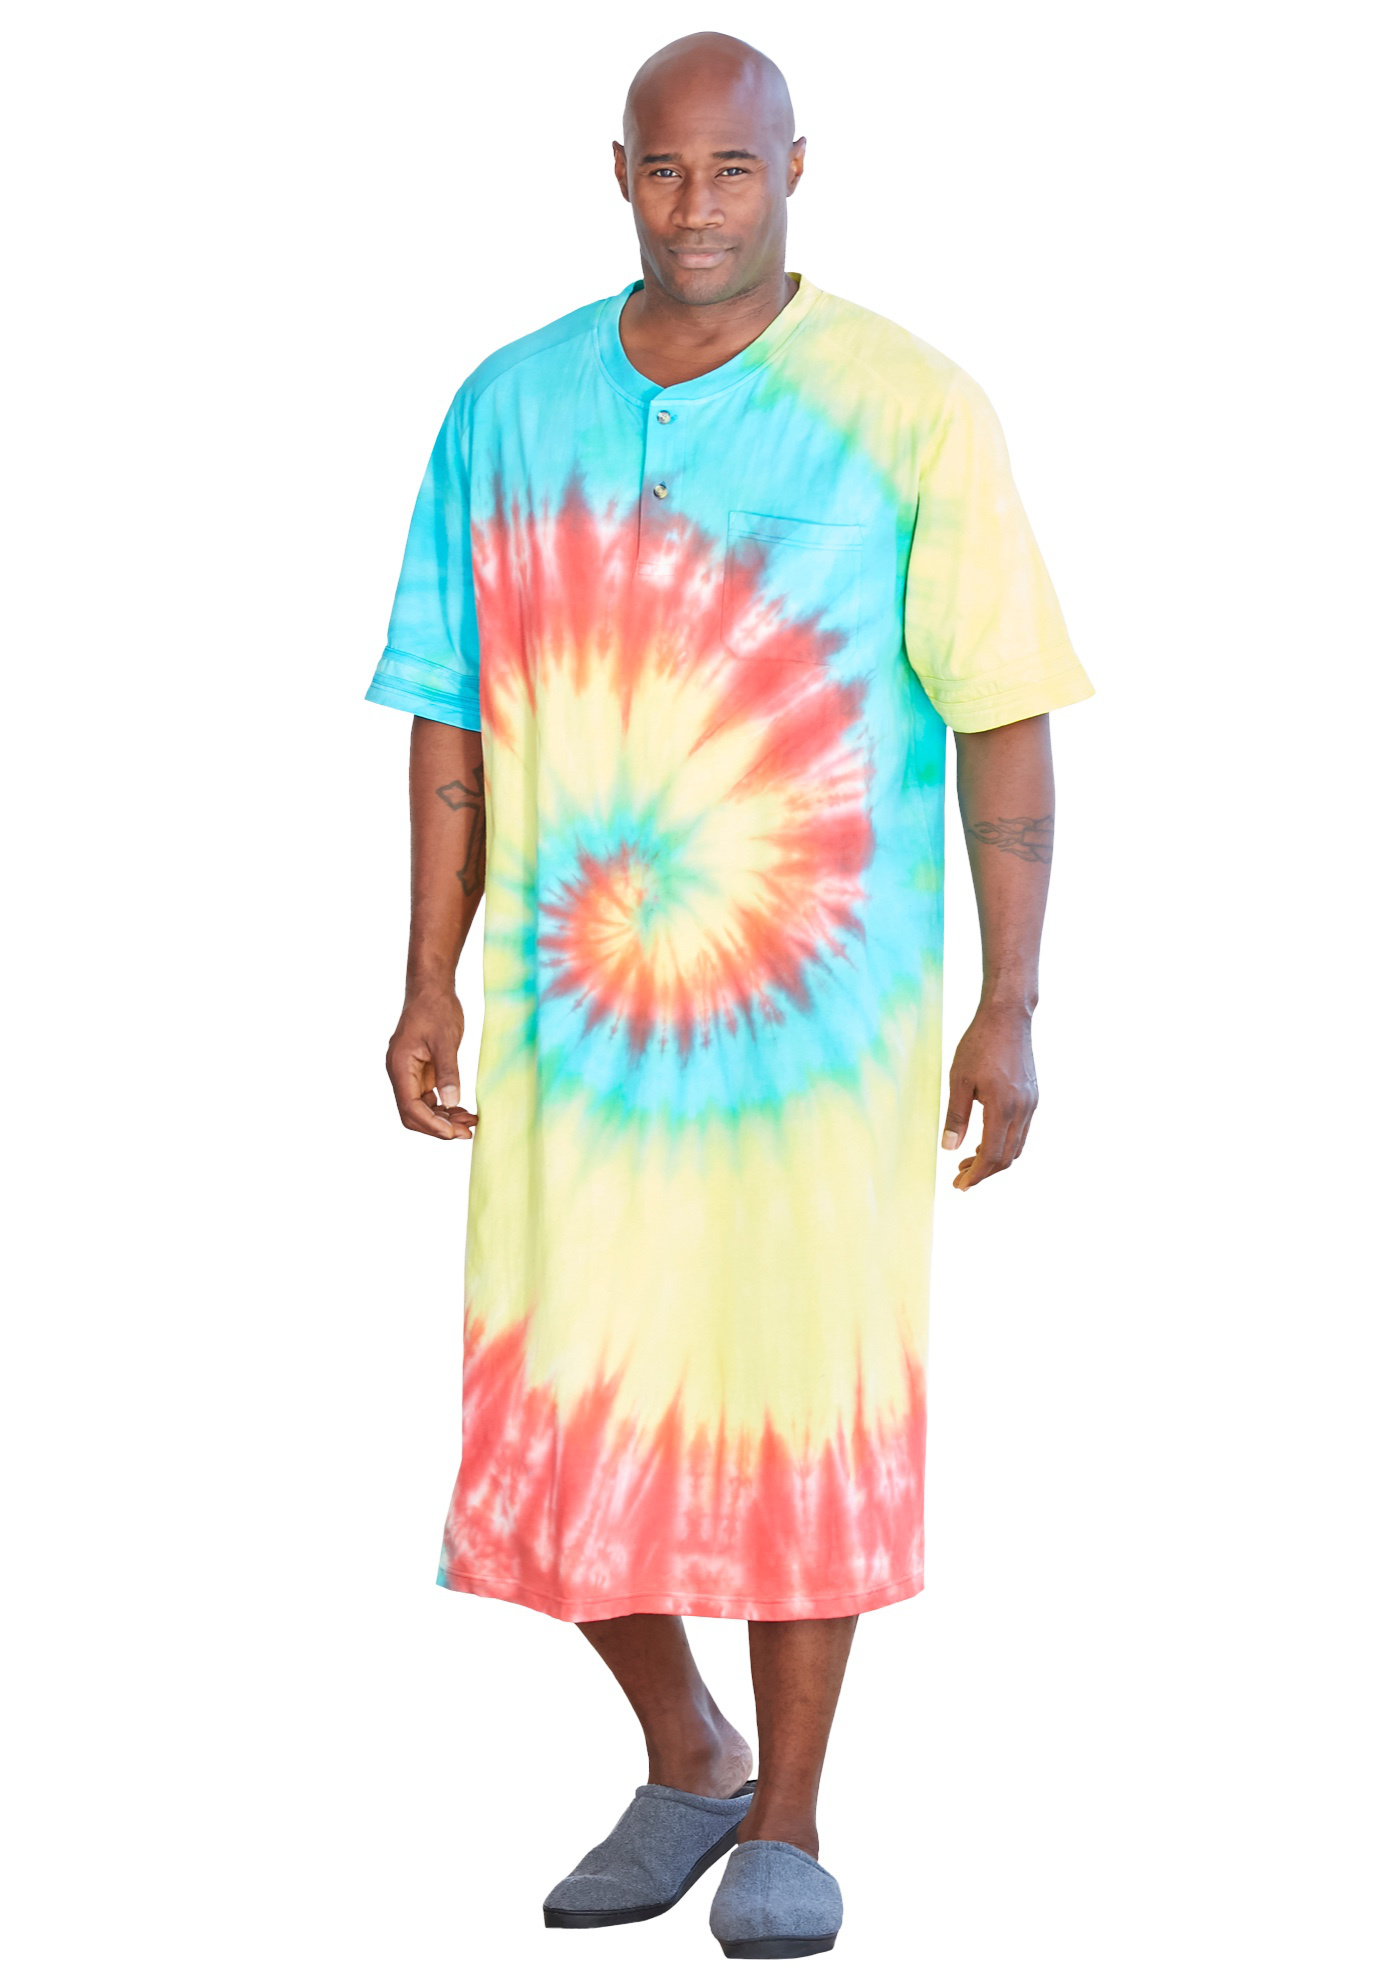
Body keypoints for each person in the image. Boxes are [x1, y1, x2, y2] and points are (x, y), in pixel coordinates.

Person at [366, 30, 1092, 1961]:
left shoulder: (909, 406)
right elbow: (449, 709)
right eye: (667, 171)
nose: (699, 209)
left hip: (819, 1044)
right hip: (577, 1029)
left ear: (797, 168)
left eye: (735, 169)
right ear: (617, 173)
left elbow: (1005, 714)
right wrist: (425, 972)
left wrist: (1014, 999)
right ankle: (686, 1749)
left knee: (799, 1399)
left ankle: (789, 1814)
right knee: (553, 1406)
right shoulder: (507, 407)